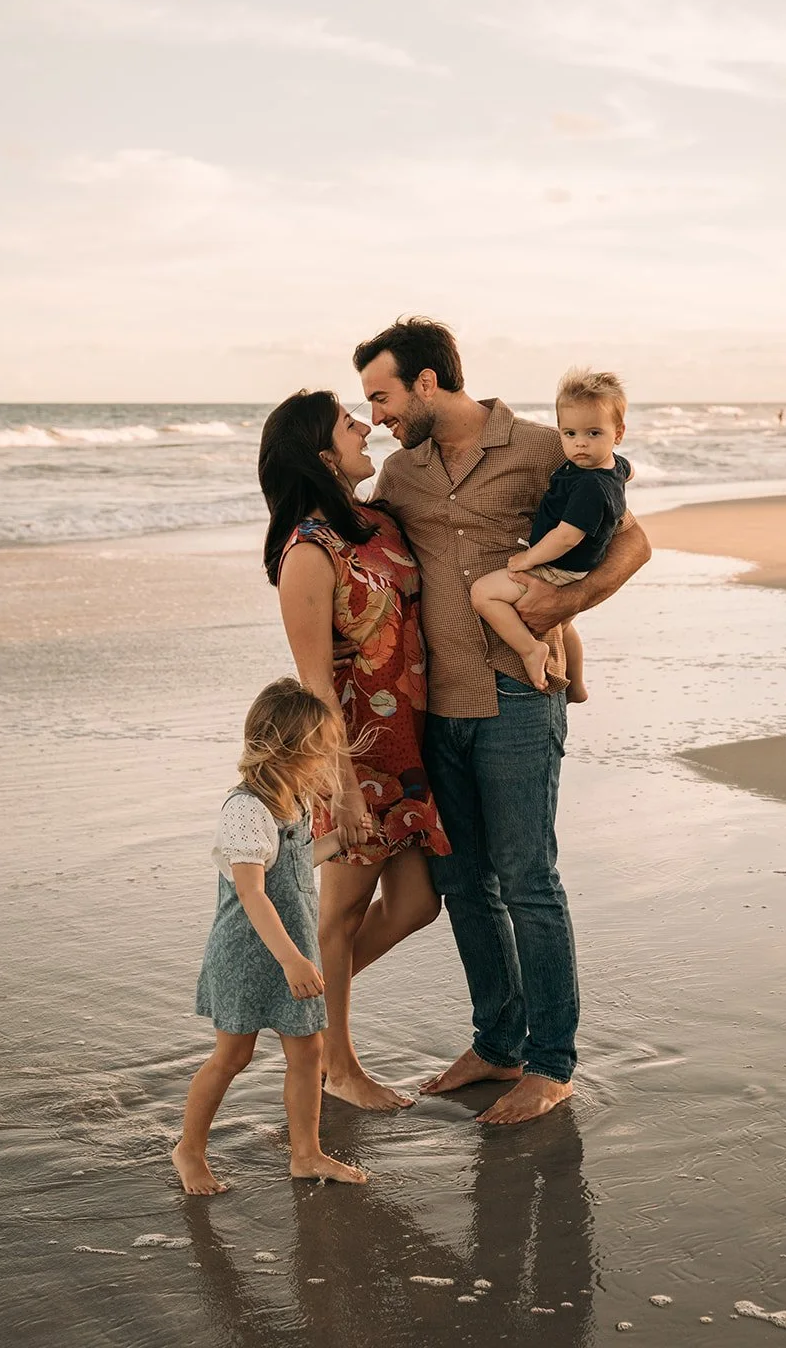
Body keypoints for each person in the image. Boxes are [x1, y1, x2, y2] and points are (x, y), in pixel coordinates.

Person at [355, 318, 650, 1125]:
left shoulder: (539, 445)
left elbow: (633, 542)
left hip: (517, 696)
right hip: (433, 706)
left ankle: (551, 1065)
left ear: (424, 382)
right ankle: (496, 1043)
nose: (375, 413)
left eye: (380, 395)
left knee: (528, 881)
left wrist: (569, 600)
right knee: (464, 884)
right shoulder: (397, 474)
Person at [259, 390, 450, 1112]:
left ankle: (302, 996)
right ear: (319, 455)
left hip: (408, 742)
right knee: (338, 916)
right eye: (349, 424)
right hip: (350, 756)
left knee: (415, 905)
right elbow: (314, 683)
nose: (367, 425)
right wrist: (338, 785)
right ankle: (335, 1065)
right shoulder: (308, 550)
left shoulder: (377, 522)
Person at [172, 676, 370, 1195]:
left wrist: (336, 841)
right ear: (288, 752)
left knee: (308, 1052)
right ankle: (188, 1149)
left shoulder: (294, 804)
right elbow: (254, 894)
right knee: (232, 1057)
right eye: (320, 753)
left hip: (293, 948)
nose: (327, 764)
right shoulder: (245, 810)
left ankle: (307, 1154)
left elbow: (292, 867)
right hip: (249, 953)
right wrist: (292, 961)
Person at [470, 368, 632, 701]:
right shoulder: (613, 466)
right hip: (580, 566)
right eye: (569, 433)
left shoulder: (589, 485)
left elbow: (565, 537)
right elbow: (628, 470)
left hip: (559, 565)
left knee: (484, 593)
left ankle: (530, 650)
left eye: (593, 433)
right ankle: (577, 685)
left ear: (618, 433)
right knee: (565, 626)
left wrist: (528, 558)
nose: (580, 444)